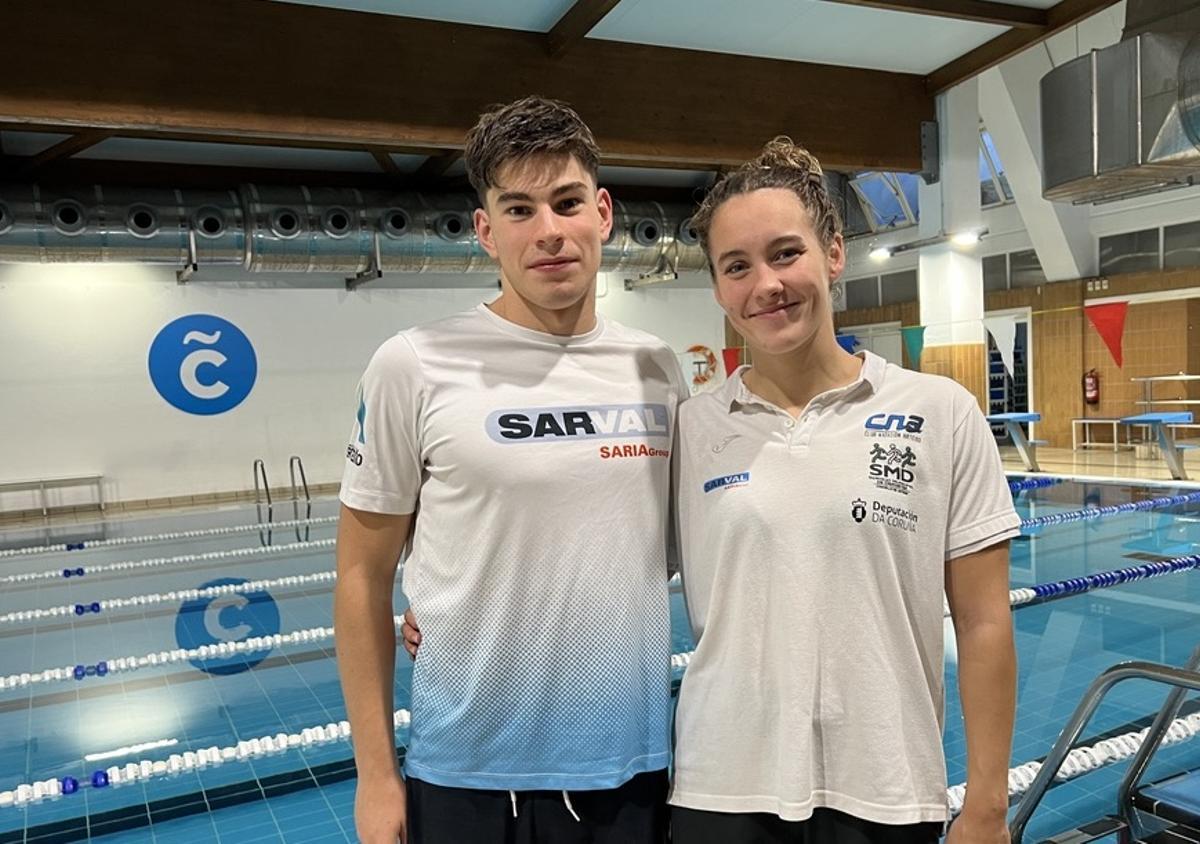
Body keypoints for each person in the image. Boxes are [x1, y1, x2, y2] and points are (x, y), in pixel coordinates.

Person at [334, 96, 685, 844]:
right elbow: (361, 577)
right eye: (519, 210)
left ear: (603, 212)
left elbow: (684, 552)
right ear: (487, 232)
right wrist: (375, 775)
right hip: (469, 778)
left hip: (632, 770)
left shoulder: (656, 367)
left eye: (565, 204)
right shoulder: (415, 363)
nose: (549, 232)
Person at [667, 137, 1019, 844]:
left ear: (833, 254)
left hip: (887, 788)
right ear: (717, 288)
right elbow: (596, 559)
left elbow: (983, 622)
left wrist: (985, 804)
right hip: (722, 788)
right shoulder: (691, 429)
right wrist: (441, 601)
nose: (765, 283)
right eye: (737, 266)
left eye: (785, 253)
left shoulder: (939, 411)